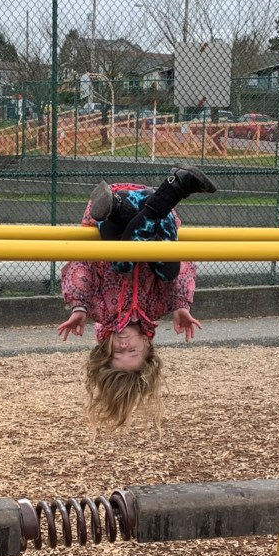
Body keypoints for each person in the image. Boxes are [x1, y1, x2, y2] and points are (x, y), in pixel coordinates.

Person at [57, 165, 216, 431]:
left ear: (104, 351)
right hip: (154, 221)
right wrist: (180, 304)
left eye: (117, 352)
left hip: (107, 222)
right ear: (146, 344)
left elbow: (81, 266)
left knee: (122, 264)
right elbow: (184, 268)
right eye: (132, 350)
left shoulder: (99, 310)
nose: (123, 344)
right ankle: (164, 195)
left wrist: (78, 306)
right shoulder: (156, 307)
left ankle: (166, 191)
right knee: (167, 271)